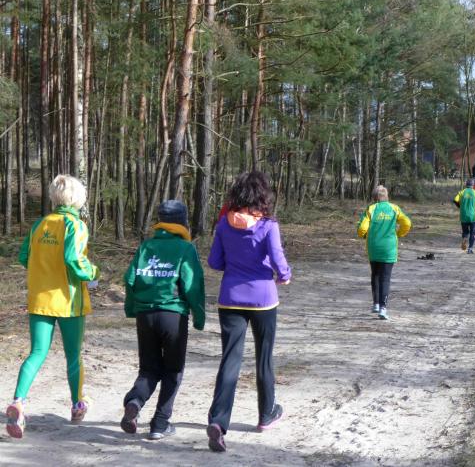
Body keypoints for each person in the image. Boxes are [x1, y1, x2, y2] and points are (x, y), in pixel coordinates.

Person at [6, 175, 99, 439]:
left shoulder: (40, 224)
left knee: (36, 353)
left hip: (39, 299)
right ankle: (78, 405)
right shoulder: (76, 225)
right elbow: (74, 260)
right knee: (73, 356)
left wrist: (43, 270)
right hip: (68, 301)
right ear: (77, 199)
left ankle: (18, 402)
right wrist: (93, 272)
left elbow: (24, 257)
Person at [206, 171, 292, 452]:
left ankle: (218, 421)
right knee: (264, 358)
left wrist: (234, 261)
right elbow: (278, 257)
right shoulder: (268, 225)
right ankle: (266, 414)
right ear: (262, 196)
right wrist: (285, 275)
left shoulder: (224, 223)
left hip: (230, 298)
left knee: (230, 360)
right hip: (263, 299)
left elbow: (215, 262)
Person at [120, 200, 206, 440]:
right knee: (173, 370)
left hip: (145, 316)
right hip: (173, 316)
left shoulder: (146, 246)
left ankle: (134, 401)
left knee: (148, 368)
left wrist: (132, 309)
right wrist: (199, 317)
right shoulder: (185, 248)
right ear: (183, 222)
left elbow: (130, 279)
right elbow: (193, 285)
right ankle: (160, 423)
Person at [357, 186, 412, 320]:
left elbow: (362, 228)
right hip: (389, 248)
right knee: (385, 278)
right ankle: (383, 308)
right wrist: (398, 234)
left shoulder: (371, 209)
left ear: (374, 198)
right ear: (386, 196)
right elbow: (407, 223)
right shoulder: (394, 208)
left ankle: (376, 304)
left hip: (374, 247)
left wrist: (364, 235)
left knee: (375, 274)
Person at [453, 179, 475, 254]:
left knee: (465, 231)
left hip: (463, 216)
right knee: (472, 233)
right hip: (472, 216)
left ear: (466, 184)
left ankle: (464, 238)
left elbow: (455, 200)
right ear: (473, 185)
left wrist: (459, 206)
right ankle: (470, 249)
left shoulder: (462, 192)